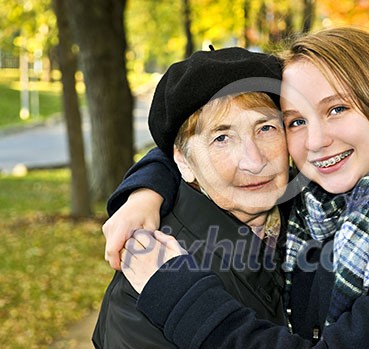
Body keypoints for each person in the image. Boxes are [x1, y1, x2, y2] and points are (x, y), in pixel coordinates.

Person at [107, 27, 369, 348]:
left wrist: (176, 293)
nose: (317, 141)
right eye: (296, 121)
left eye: (337, 109)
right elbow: (184, 146)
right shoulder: (319, 207)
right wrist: (144, 191)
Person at [92, 47, 293, 348]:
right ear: (182, 162)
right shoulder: (148, 279)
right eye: (221, 138)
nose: (254, 160)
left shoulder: (319, 218)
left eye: (265, 128)